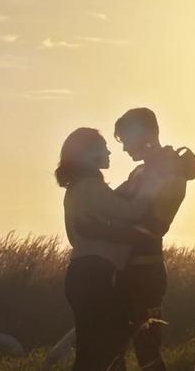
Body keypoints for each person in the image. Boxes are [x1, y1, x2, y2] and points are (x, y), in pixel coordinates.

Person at [56, 127, 155, 371]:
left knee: (89, 353)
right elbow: (132, 212)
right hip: (97, 276)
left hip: (79, 274)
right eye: (102, 147)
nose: (109, 151)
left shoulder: (74, 190)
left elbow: (73, 237)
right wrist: (148, 183)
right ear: (88, 154)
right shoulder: (91, 186)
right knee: (109, 351)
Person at [112, 108, 195, 371]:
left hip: (144, 272)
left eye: (127, 139)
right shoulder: (141, 172)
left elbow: (153, 223)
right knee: (115, 350)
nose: (125, 148)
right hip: (129, 269)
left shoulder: (170, 169)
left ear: (147, 134)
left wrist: (107, 230)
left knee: (146, 353)